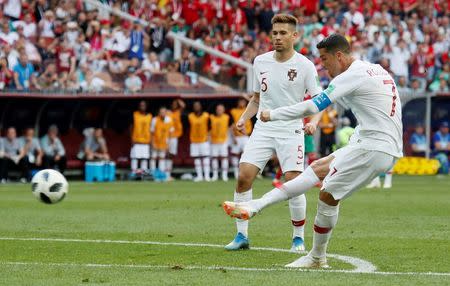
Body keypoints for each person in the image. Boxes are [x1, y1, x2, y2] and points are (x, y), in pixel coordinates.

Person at [223, 34, 403, 268]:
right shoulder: (376, 69)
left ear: (339, 56)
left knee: (327, 195)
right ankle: (255, 205)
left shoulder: (352, 75)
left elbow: (313, 105)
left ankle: (317, 257)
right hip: (371, 140)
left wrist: (273, 114)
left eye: (325, 59)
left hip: (374, 146)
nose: (323, 66)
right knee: (316, 169)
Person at [224, 14, 323, 252]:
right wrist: (243, 118)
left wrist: (314, 123)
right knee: (243, 176)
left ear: (294, 36)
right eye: (275, 33)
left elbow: (320, 101)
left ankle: (298, 238)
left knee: (293, 182)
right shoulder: (260, 62)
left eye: (283, 33)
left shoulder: (305, 66)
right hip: (264, 128)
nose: (277, 37)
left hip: (291, 129)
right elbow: (257, 99)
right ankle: (241, 236)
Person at [230, 98, 253, 179]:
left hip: (246, 136)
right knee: (235, 155)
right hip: (237, 137)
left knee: (247, 155)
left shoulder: (249, 110)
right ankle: (236, 173)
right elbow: (232, 125)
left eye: (243, 102)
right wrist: (233, 137)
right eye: (240, 101)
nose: (241, 103)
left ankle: (247, 173)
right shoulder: (233, 111)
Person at [188, 101, 210, 182]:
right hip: (194, 140)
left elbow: (210, 126)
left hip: (204, 140)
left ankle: (207, 176)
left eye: (198, 105)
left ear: (201, 106)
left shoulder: (206, 115)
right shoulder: (190, 116)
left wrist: (209, 135)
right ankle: (199, 176)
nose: (196, 107)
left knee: (205, 158)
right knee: (197, 159)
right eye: (195, 106)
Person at [150, 107, 174, 179]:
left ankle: (161, 174)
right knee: (153, 158)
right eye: (161, 112)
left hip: (164, 143)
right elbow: (151, 132)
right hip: (155, 142)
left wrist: (169, 144)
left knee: (162, 158)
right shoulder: (154, 120)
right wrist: (152, 143)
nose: (162, 114)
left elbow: (171, 133)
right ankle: (153, 175)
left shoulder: (169, 120)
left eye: (164, 112)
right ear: (159, 113)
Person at [130, 101, 152, 175]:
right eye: (141, 105)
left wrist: (151, 141)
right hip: (136, 140)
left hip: (146, 141)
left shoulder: (150, 116)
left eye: (144, 105)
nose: (142, 107)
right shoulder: (135, 114)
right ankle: (134, 173)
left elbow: (151, 129)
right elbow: (131, 127)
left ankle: (143, 174)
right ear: (138, 106)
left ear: (146, 106)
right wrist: (132, 139)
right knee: (135, 157)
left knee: (145, 158)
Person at [210, 104, 230, 182]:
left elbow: (231, 126)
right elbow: (209, 128)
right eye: (218, 109)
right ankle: (215, 175)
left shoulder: (227, 117)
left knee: (224, 157)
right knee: (214, 158)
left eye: (221, 109)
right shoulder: (211, 117)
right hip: (214, 141)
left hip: (223, 140)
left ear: (223, 110)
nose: (219, 110)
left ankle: (224, 175)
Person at [167, 99, 185, 180]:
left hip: (174, 137)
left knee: (171, 155)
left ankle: (168, 173)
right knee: (165, 154)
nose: (174, 105)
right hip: (167, 136)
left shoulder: (178, 112)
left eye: (175, 104)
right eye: (173, 104)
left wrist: (177, 98)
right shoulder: (167, 112)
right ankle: (164, 173)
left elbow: (183, 106)